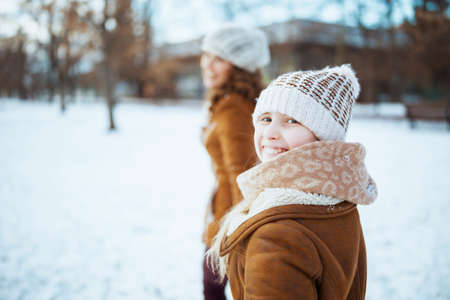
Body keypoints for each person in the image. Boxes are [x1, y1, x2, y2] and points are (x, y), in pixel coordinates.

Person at [207, 64, 378, 300]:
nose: (270, 133)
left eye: (292, 121)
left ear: (323, 136)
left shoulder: (277, 235)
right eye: (266, 118)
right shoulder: (338, 196)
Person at [200, 24, 270, 300]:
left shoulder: (233, 108)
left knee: (215, 290)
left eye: (219, 58)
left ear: (240, 66)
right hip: (225, 214)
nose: (208, 64)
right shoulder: (236, 101)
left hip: (229, 223)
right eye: (206, 55)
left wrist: (235, 238)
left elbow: (241, 176)